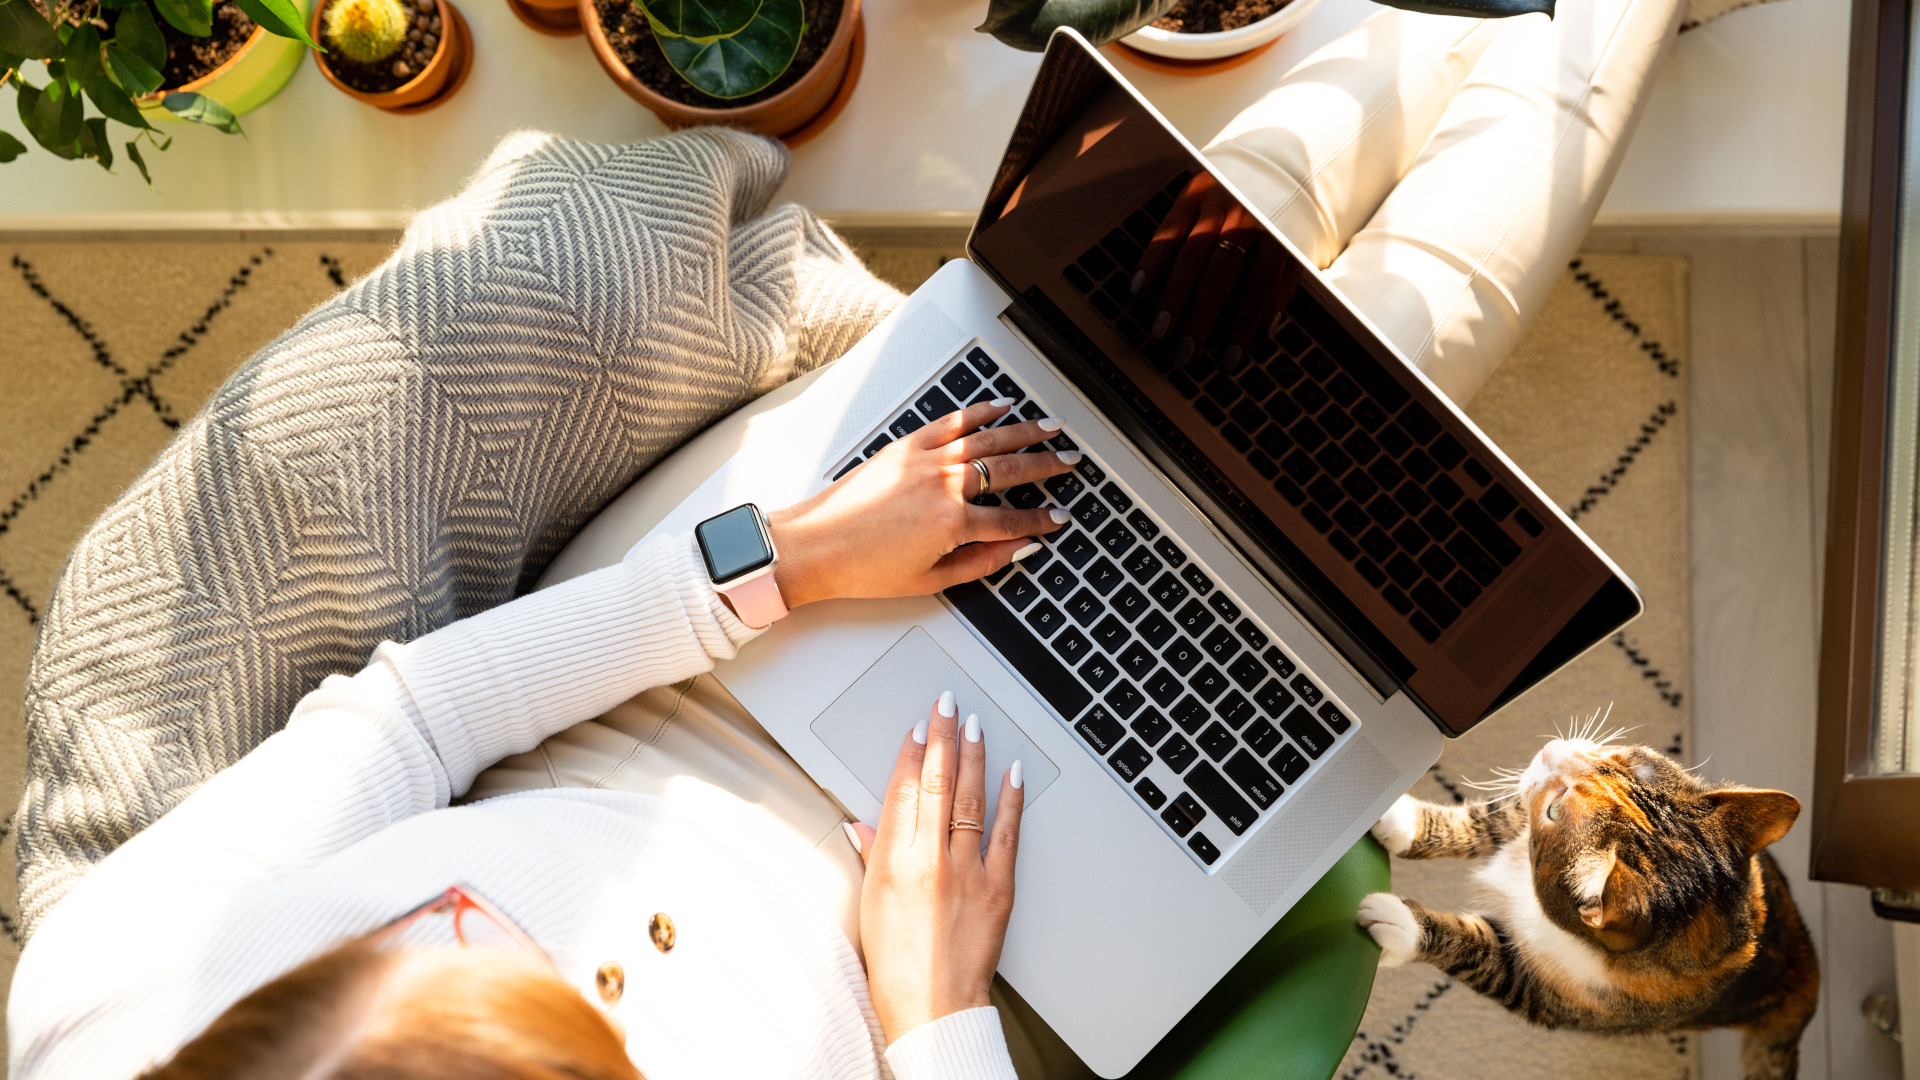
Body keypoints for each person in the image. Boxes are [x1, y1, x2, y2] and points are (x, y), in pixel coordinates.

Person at [10, 0, 1687, 1071]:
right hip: (978, 930)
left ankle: (1473, 24)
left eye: (401, 934)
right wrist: (932, 1006)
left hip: (667, 679)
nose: (460, 910)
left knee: (1146, 288)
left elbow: (416, 719)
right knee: (1370, 367)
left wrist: (781, 560)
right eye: (491, 964)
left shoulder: (109, 1015)